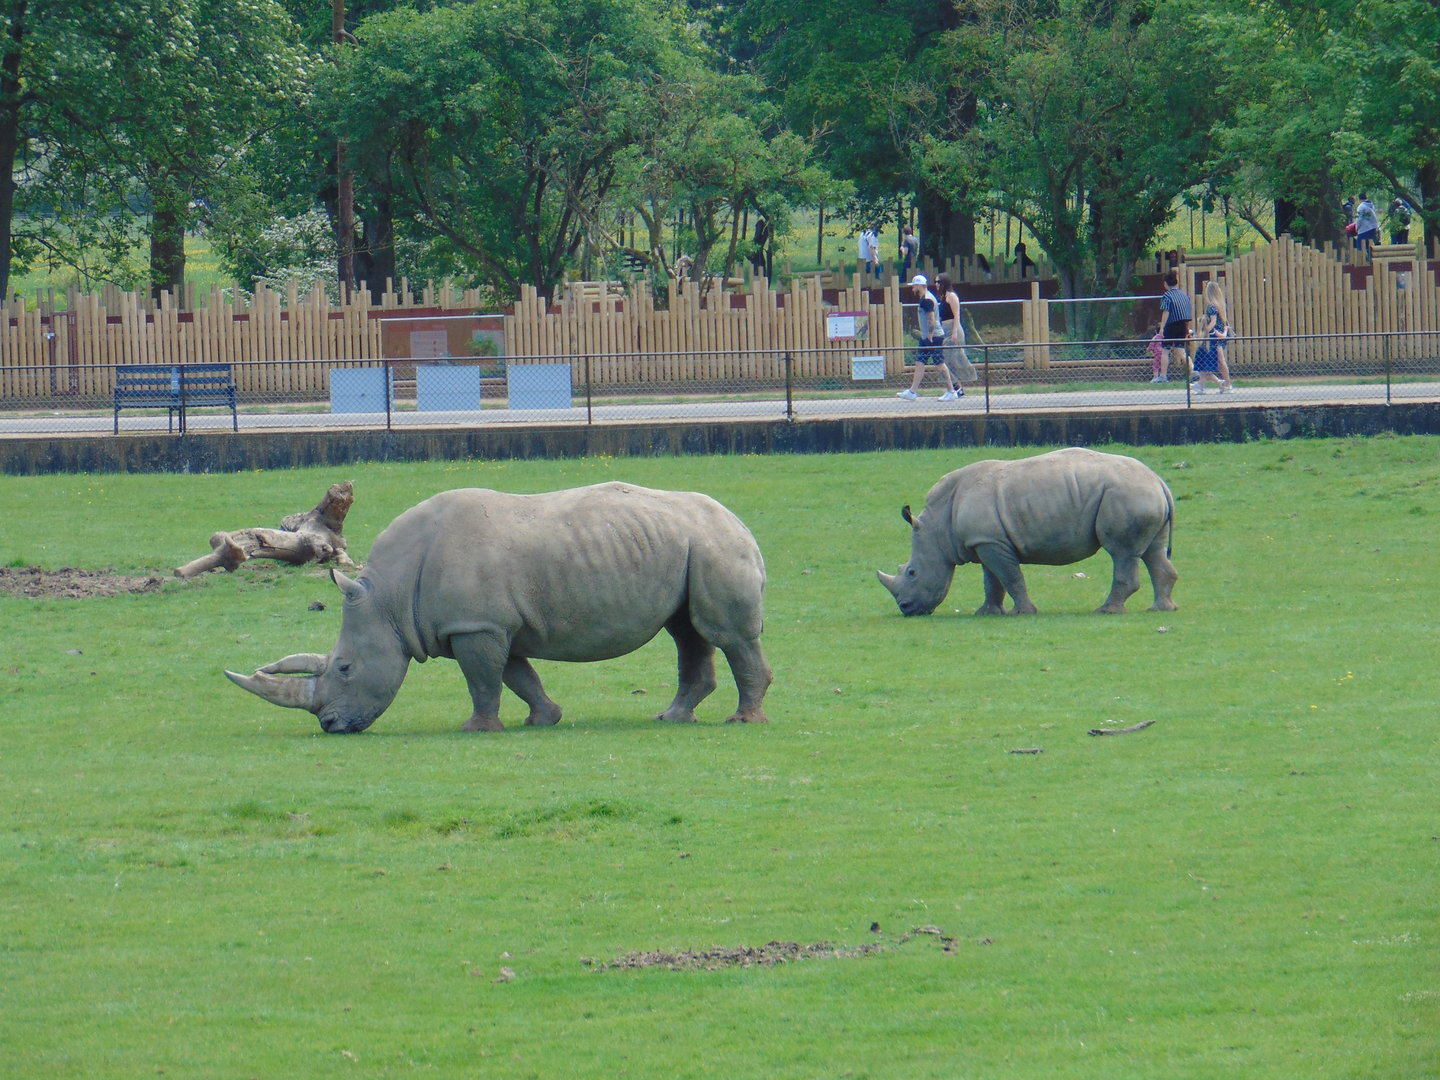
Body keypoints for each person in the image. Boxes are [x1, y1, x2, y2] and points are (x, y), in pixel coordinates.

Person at [897, 274, 961, 401]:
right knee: (920, 362)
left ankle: (951, 391)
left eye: (914, 285)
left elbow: (931, 319)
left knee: (939, 363)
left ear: (920, 285)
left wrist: (930, 336)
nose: (913, 288)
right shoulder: (925, 298)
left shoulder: (926, 299)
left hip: (933, 337)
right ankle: (912, 391)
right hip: (926, 336)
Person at [1191, 279, 1234, 394]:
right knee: (1219, 360)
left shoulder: (1211, 307)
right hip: (1220, 335)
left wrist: (1204, 331)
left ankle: (1226, 384)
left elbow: (1213, 322)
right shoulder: (1221, 305)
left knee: (1219, 360)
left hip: (1215, 336)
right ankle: (1223, 383)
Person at [935, 273, 976, 394]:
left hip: (954, 328)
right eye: (936, 282)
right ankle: (956, 386)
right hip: (945, 329)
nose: (936, 284)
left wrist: (954, 333)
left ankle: (956, 387)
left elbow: (956, 315)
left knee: (953, 358)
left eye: (939, 282)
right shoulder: (943, 297)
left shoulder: (951, 296)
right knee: (945, 359)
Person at [1153, 269, 1192, 383]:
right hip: (1183, 324)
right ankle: (1193, 371)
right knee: (1181, 351)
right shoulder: (1184, 294)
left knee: (1165, 350)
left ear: (1165, 284)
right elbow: (1188, 311)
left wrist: (1162, 327)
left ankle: (1163, 376)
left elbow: (1166, 312)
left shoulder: (1167, 296)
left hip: (1171, 325)